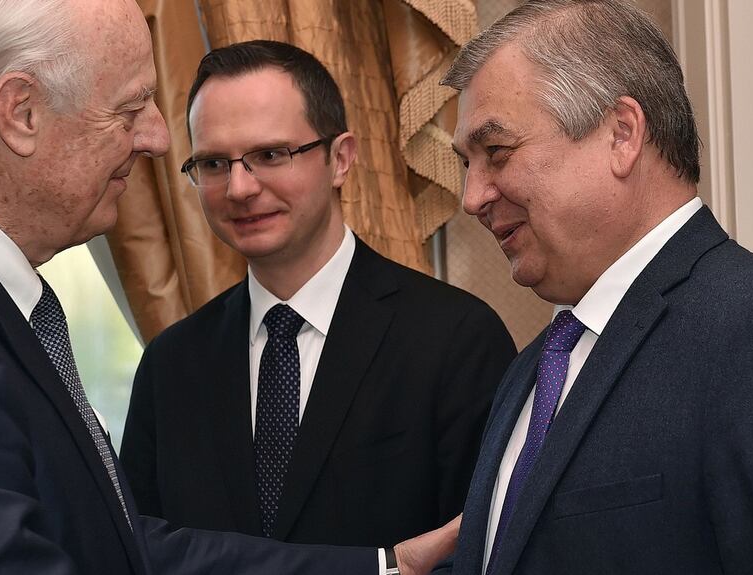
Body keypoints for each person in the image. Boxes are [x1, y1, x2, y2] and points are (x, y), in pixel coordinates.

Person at [0, 1, 457, 573]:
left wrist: (384, 566)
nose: (155, 138)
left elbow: (116, 545)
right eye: (129, 108)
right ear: (21, 112)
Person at [440, 1, 753, 574]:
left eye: (497, 153)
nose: (472, 197)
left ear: (621, 135)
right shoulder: (534, 368)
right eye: (466, 166)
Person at [120, 39, 516, 552]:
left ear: (341, 159)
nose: (239, 188)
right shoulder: (170, 365)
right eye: (214, 164)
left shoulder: (456, 340)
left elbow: (483, 551)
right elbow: (138, 553)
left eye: (269, 154)